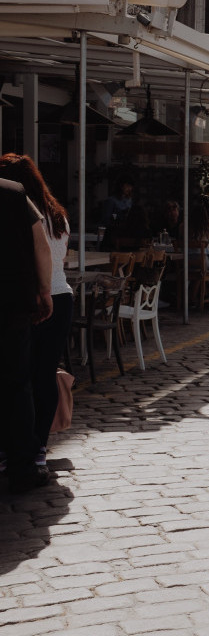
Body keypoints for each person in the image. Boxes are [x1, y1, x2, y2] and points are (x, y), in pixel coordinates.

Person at [0, 155, 71, 474]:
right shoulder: (57, 214)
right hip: (62, 295)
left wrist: (41, 292)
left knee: (22, 378)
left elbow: (36, 254)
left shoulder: (17, 210)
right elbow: (60, 256)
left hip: (37, 299)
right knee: (43, 376)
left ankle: (22, 447)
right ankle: (38, 446)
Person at [0, 175, 53, 493]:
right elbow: (40, 242)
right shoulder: (13, 193)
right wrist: (45, 291)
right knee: (17, 385)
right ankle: (21, 468)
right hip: (11, 306)